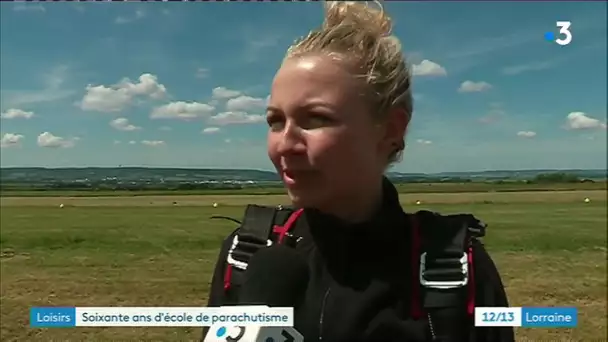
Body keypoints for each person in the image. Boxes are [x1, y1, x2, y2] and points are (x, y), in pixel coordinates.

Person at [202, 2, 515, 341]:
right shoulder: (247, 256)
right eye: (275, 121)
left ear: (390, 129)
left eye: (317, 118)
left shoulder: (456, 267)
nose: (284, 144)